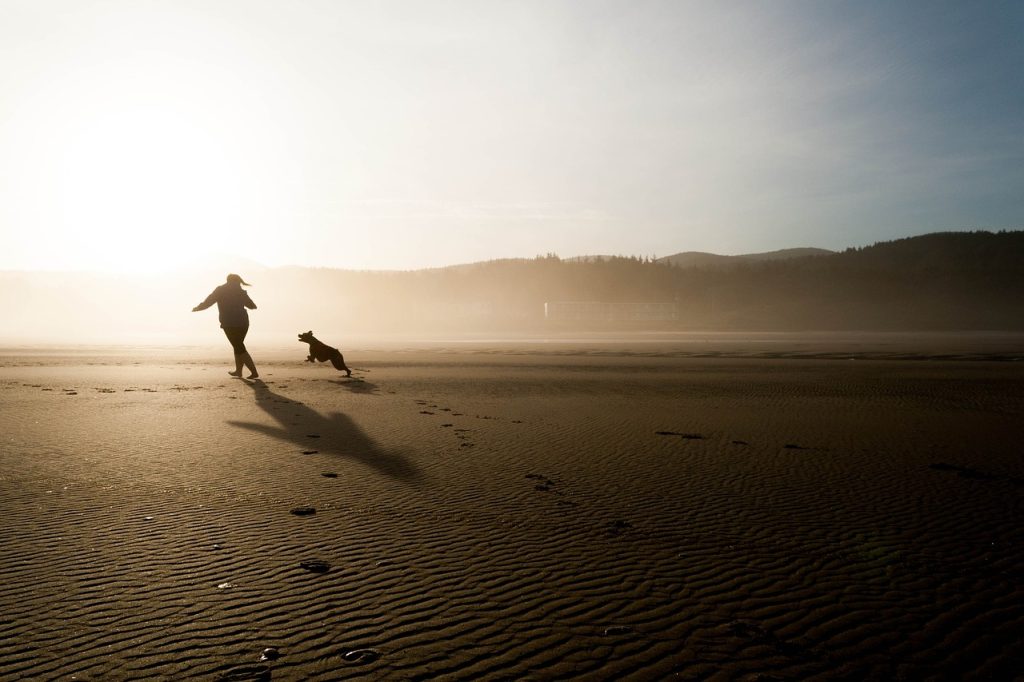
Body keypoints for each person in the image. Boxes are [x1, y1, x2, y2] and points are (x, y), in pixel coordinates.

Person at [192, 273, 260, 379]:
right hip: (243, 323)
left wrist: (198, 308)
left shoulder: (220, 290)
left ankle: (254, 372)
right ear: (237, 281)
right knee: (238, 346)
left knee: (239, 347)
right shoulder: (240, 291)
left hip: (229, 323)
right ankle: (238, 371)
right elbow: (252, 306)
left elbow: (209, 301)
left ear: (227, 280)